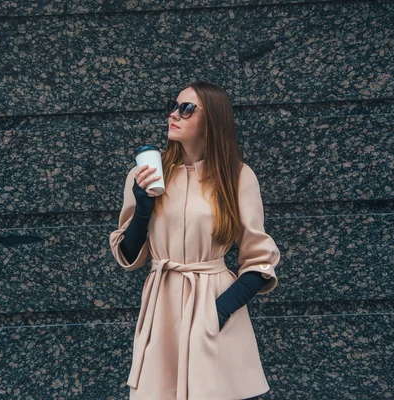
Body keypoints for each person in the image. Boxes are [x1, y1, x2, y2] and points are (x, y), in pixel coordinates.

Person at [108, 80, 281, 400]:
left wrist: (219, 311)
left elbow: (260, 258)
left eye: (186, 109)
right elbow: (129, 254)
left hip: (212, 301)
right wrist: (142, 209)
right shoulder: (146, 173)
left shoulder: (238, 176)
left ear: (213, 119)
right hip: (163, 305)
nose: (174, 114)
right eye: (173, 106)